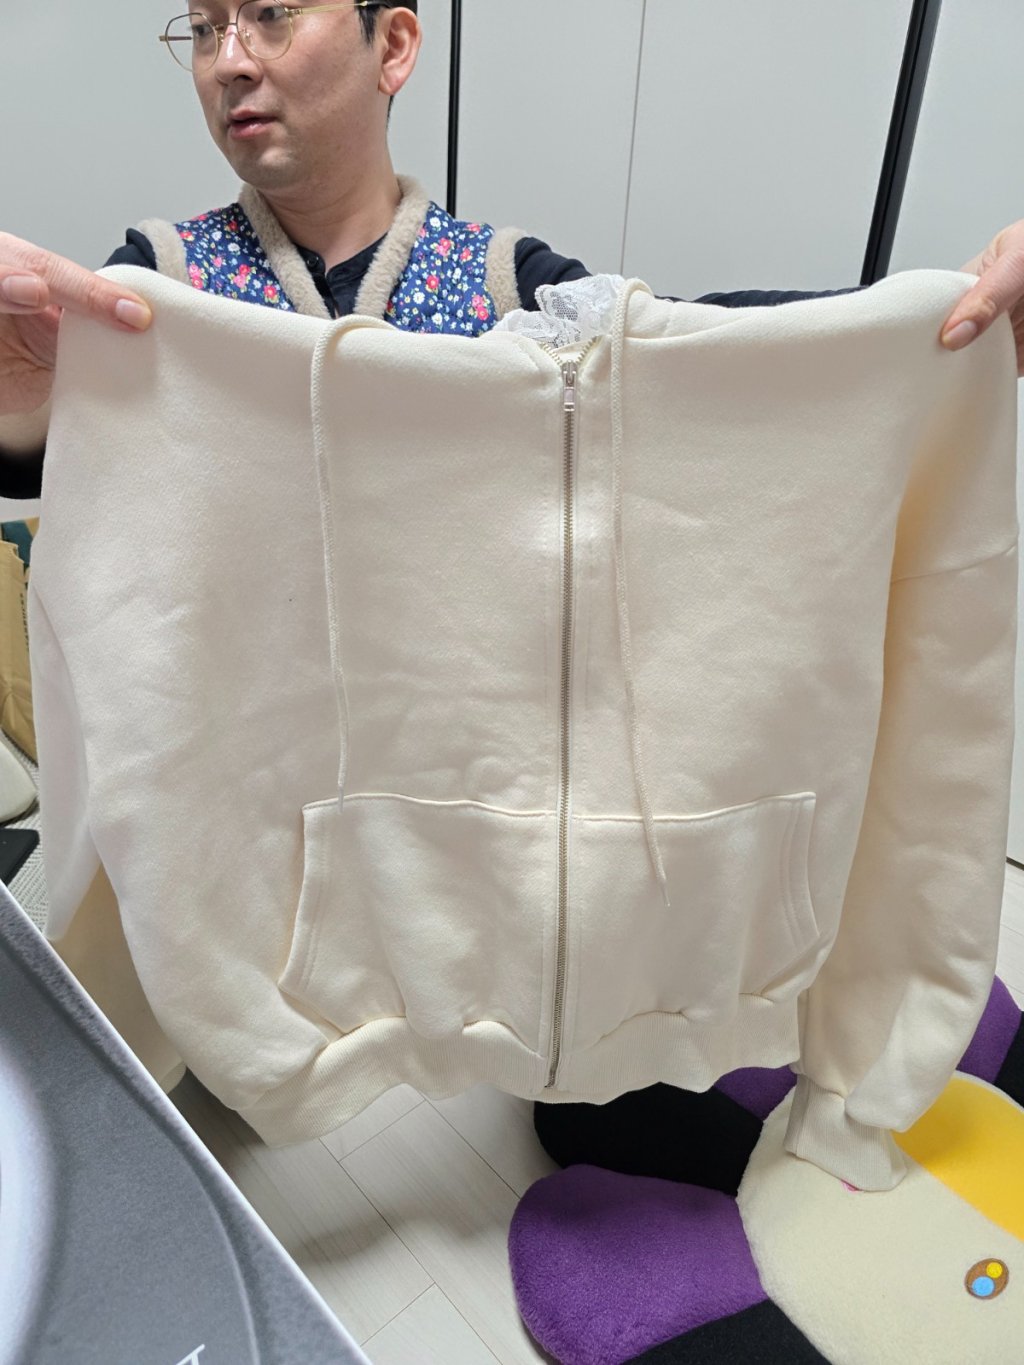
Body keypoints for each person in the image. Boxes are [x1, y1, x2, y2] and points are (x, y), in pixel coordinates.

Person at [2, 0, 1022, 505]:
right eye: (204, 27)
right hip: (233, 761)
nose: (229, 62)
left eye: (270, 15)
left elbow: (692, 346)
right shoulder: (154, 283)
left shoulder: (503, 279)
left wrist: (950, 319)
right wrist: (14, 396)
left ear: (392, 46)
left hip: (451, 758)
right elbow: (46, 454)